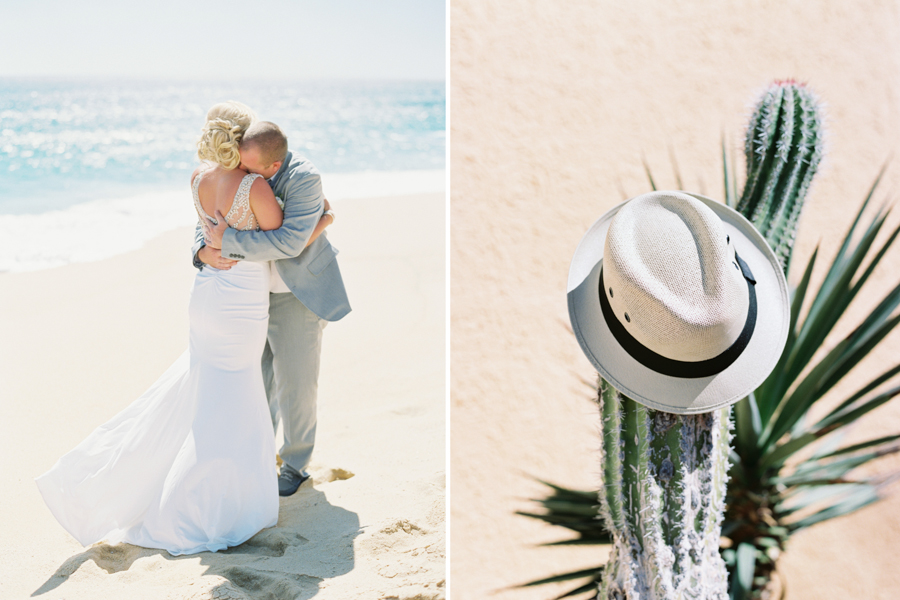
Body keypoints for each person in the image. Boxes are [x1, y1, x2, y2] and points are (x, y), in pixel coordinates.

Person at [34, 102, 331, 555]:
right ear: (241, 142)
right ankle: (211, 503)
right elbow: (280, 243)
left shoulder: (198, 179)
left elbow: (204, 227)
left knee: (208, 391)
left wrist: (208, 250)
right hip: (239, 303)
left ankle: (183, 486)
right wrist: (321, 222)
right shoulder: (251, 184)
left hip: (207, 295)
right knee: (236, 392)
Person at [195, 119, 351, 497]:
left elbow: (289, 243)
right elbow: (211, 215)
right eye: (241, 167)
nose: (243, 175)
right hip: (248, 295)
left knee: (295, 384)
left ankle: (295, 464)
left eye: (251, 170)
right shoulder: (243, 171)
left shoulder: (304, 179)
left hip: (295, 293)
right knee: (256, 378)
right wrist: (201, 251)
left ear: (274, 166)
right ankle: (259, 454)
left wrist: (227, 241)